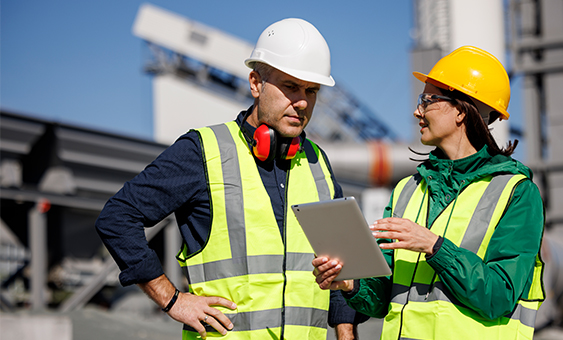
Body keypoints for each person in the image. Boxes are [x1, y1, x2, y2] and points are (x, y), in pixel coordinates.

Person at [96, 18, 366, 340]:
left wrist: (345, 332)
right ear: (255, 83)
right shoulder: (203, 152)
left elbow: (340, 264)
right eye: (290, 86)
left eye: (311, 90)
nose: (303, 102)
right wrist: (172, 299)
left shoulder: (318, 162)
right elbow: (117, 217)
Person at [312, 46, 546, 339]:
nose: (416, 111)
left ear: (460, 111)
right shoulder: (407, 191)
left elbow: (498, 296)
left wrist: (435, 246)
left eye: (427, 100)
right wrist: (351, 284)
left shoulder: (517, 194)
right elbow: (383, 296)